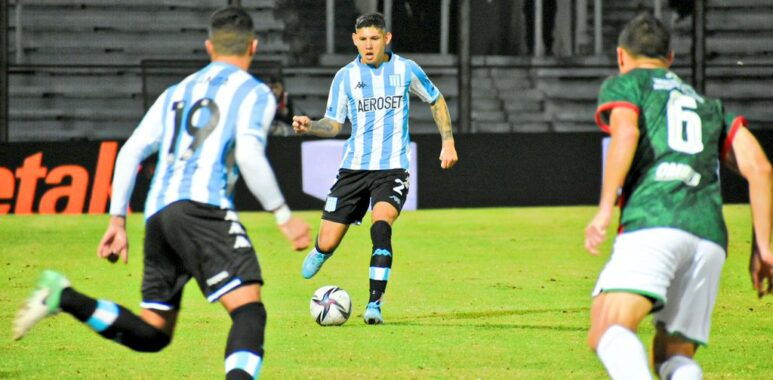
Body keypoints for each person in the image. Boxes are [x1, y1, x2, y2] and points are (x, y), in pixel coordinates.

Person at [13, 7, 311, 379]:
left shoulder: (176, 91)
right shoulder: (254, 93)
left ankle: (64, 297)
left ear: (208, 47)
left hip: (158, 214)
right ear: (254, 46)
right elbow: (250, 155)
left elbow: (131, 150)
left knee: (153, 333)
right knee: (249, 311)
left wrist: (117, 218)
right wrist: (284, 216)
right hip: (203, 208)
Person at [584, 13, 773, 379]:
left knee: (608, 327)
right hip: (710, 238)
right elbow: (761, 168)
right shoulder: (707, 105)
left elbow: (624, 135)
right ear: (670, 58)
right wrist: (763, 247)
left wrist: (605, 208)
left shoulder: (626, 84)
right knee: (673, 355)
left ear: (621, 56)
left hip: (655, 220)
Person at [291, 12, 458, 325]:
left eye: (374, 39)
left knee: (380, 225)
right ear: (355, 40)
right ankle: (322, 250)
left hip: (392, 168)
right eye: (363, 39)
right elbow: (334, 124)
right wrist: (310, 125)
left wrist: (447, 142)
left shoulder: (406, 70)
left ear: (387, 38)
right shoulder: (344, 77)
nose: (368, 46)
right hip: (353, 170)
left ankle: (374, 305)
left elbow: (436, 100)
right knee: (327, 241)